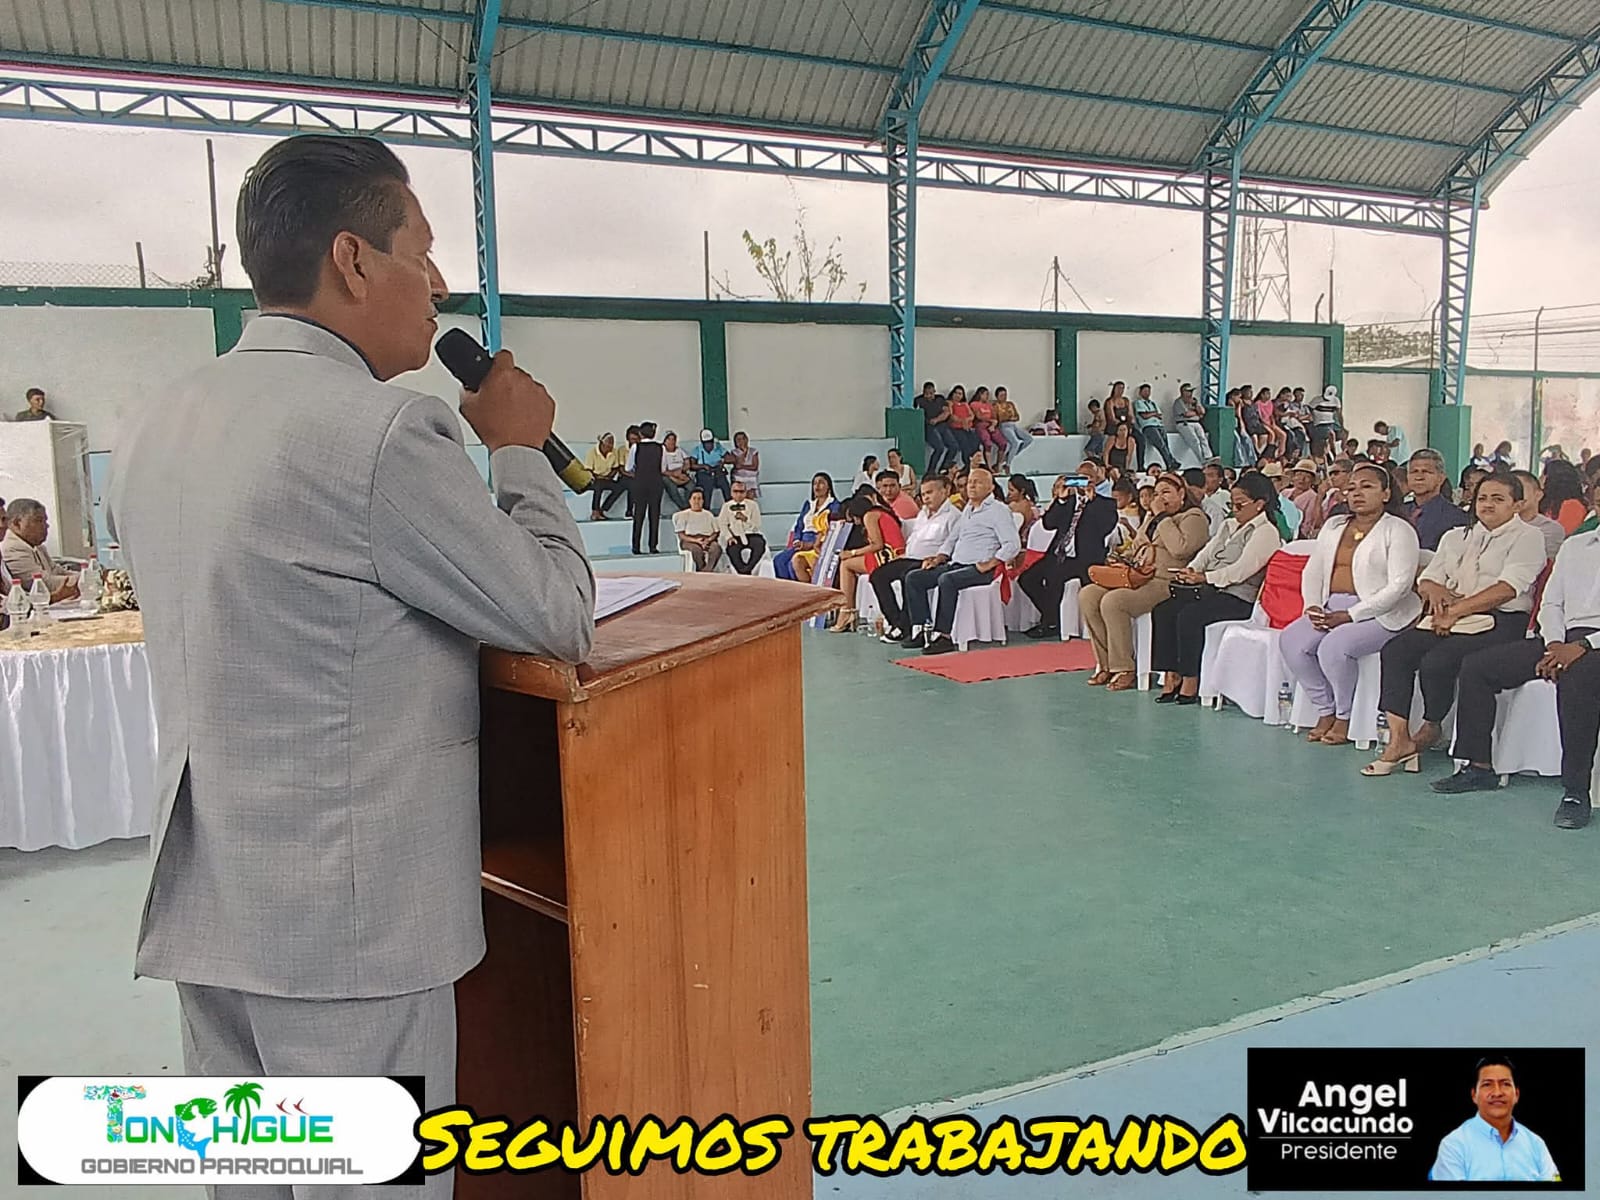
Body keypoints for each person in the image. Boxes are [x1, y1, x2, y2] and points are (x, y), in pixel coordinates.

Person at [103, 135, 594, 1170]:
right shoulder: (379, 433)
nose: (438, 285)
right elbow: (554, 612)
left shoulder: (161, 421)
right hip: (348, 933)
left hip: (217, 904)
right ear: (353, 260)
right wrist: (517, 451)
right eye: (422, 252)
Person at [1431, 473, 1600, 826]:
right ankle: (1479, 766)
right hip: (1560, 636)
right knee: (1479, 667)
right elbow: (1552, 602)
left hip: (1593, 643)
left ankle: (1575, 792)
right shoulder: (1577, 546)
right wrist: (1555, 643)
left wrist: (1583, 646)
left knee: (1579, 680)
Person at [1364, 474, 1545, 776]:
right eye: (1482, 498)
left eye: (1498, 499)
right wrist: (1435, 592)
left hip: (1500, 620)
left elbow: (1508, 588)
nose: (1488, 504)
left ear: (1517, 504)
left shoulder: (1528, 536)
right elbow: (1428, 578)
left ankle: (1431, 726)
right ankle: (1399, 739)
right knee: (1396, 651)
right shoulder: (1456, 536)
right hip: (1449, 615)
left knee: (1439, 660)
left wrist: (1456, 611)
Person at [1280, 464, 1421, 746]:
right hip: (1332, 606)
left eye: (1367, 487)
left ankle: (1344, 717)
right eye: (1352, 488)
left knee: (1334, 647)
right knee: (1291, 641)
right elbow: (1314, 569)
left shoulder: (1398, 529)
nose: (1357, 493)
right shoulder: (1334, 526)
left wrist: (1351, 615)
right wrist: (1313, 606)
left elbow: (1400, 586)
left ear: (1386, 494)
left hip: (1383, 613)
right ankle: (1326, 709)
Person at [1150, 472, 1284, 704]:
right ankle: (1172, 673)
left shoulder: (1266, 532)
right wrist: (1191, 570)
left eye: (1240, 505)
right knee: (1164, 610)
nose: (1235, 510)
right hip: (1210, 589)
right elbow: (1206, 554)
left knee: (1190, 616)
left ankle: (1191, 678)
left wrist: (1205, 577)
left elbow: (1241, 570)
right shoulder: (1228, 525)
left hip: (1238, 597)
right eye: (1232, 504)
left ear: (1259, 504)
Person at [1081, 472, 1210, 691]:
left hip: (1167, 581)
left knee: (1115, 601)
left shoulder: (1194, 517)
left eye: (1167, 492)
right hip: (1141, 574)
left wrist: (1162, 517)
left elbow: (1180, 549)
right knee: (1088, 595)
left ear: (1181, 493)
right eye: (1157, 494)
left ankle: (1124, 667)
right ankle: (1106, 663)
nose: (1160, 498)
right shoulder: (1152, 517)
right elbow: (1137, 546)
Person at [903, 467, 1020, 655]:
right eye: (970, 482)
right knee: (914, 578)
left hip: (981, 568)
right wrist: (939, 557)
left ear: (991, 487)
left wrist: (990, 563)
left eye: (978, 482)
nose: (971, 486)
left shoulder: (998, 510)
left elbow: (1012, 544)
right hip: (957, 565)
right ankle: (921, 629)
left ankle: (943, 636)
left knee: (947, 580)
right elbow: (952, 538)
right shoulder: (968, 509)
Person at [1019, 470, 1118, 638]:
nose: (1084, 482)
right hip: (1058, 554)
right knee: (1027, 579)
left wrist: (1092, 500)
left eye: (1088, 478)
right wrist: (1061, 500)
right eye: (1080, 478)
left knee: (1054, 578)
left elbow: (1105, 528)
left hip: (1084, 558)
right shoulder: (1068, 502)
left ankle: (1049, 623)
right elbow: (1048, 524)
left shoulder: (1105, 504)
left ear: (1096, 480)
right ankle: (1053, 615)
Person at [1429, 1056, 1559, 1182]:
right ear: (1474, 1095)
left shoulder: (1536, 1144)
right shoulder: (1453, 1145)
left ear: (1517, 1094)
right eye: (1487, 1084)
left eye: (1505, 1084)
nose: (1497, 1093)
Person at [871, 476, 960, 643]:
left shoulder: (953, 516)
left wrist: (937, 559)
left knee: (908, 576)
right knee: (878, 575)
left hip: (931, 561)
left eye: (930, 493)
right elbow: (914, 537)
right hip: (910, 557)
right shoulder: (923, 513)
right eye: (923, 494)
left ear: (945, 491)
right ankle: (896, 622)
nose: (926, 497)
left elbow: (951, 544)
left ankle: (907, 626)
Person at [828, 491, 907, 632]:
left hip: (888, 555)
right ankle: (847, 611)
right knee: (848, 562)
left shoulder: (869, 516)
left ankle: (846, 611)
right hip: (891, 552)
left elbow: (877, 544)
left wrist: (852, 553)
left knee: (846, 565)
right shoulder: (878, 513)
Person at [1, 498, 80, 603]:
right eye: (38, 520)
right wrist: (85, 579)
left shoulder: (37, 546)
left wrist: (87, 575)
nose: (46, 525)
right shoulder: (12, 548)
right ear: (16, 523)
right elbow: (43, 583)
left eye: (4, 519)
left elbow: (56, 571)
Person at [772, 473, 838, 581]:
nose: (817, 486)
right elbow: (799, 525)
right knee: (779, 560)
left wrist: (812, 544)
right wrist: (797, 540)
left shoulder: (834, 505)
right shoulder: (808, 504)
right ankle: (786, 589)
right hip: (802, 540)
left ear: (828, 487)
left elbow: (830, 529)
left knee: (792, 564)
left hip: (818, 541)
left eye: (821, 483)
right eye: (815, 483)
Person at [1404, 449, 1470, 551]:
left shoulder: (1457, 517)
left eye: (1426, 471)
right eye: (1414, 471)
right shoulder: (1398, 512)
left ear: (1441, 478)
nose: (1419, 477)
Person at [1513, 469, 1566, 562]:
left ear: (1538, 495)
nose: (1514, 496)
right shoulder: (1492, 525)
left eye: (1520, 490)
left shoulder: (1550, 528)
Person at [628, 420, 665, 554]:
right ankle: (653, 546)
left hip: (640, 483)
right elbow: (663, 467)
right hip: (656, 483)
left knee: (638, 514)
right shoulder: (660, 448)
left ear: (641, 434)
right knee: (654, 515)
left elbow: (629, 467)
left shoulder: (635, 447)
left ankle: (636, 546)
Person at [716, 480, 765, 574]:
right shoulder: (726, 506)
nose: (738, 494)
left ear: (745, 492)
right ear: (731, 493)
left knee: (759, 545)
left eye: (741, 491)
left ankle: (748, 569)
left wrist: (745, 519)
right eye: (735, 491)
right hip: (735, 535)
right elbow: (722, 524)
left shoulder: (753, 505)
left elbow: (757, 524)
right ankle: (743, 571)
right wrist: (729, 537)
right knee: (732, 550)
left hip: (751, 534)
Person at [672, 488, 721, 572]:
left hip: (707, 539)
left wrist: (708, 540)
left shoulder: (708, 514)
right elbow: (681, 535)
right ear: (690, 501)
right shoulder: (683, 515)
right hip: (690, 540)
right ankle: (702, 569)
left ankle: (706, 570)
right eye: (694, 498)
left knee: (716, 548)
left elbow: (716, 532)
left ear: (703, 501)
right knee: (696, 550)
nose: (696, 501)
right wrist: (696, 541)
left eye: (699, 499)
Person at [582, 431, 627, 520]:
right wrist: (599, 477)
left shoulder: (614, 452)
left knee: (619, 487)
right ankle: (595, 512)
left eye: (612, 443)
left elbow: (615, 468)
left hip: (607, 478)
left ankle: (603, 509)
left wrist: (609, 476)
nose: (611, 446)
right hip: (594, 479)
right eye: (609, 443)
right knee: (598, 486)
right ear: (602, 443)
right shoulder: (592, 452)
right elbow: (588, 470)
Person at [1133, 383, 1178, 470]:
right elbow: (1144, 416)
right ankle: (1170, 463)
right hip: (1148, 426)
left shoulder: (1153, 403)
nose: (1147, 393)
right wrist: (1154, 414)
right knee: (1160, 444)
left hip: (1159, 425)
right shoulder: (1139, 403)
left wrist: (1151, 414)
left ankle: (1171, 462)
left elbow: (1160, 415)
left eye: (1148, 391)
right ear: (1140, 392)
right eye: (1145, 391)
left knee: (1166, 446)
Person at [918, 381, 959, 474]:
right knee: (939, 448)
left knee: (954, 446)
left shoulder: (940, 399)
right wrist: (931, 421)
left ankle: (944, 468)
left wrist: (937, 419)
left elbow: (947, 412)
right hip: (929, 427)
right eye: (926, 393)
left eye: (931, 393)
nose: (929, 396)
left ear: (934, 391)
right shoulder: (919, 401)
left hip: (941, 424)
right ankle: (931, 471)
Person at [1540, 459, 1589, 533]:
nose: (1540, 478)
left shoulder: (1572, 505)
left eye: (1543, 475)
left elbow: (1564, 533)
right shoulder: (1547, 502)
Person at [690, 428, 732, 509]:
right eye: (706, 443)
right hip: (704, 473)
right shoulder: (697, 450)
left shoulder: (718, 447)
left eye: (710, 442)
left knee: (726, 488)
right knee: (706, 489)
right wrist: (703, 466)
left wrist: (723, 461)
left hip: (718, 472)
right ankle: (706, 510)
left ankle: (731, 508)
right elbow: (692, 465)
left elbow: (731, 458)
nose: (709, 445)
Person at [993, 386, 1032, 469]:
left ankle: (1010, 455)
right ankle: (1008, 464)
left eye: (1005, 395)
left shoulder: (1010, 404)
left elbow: (1017, 417)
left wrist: (1009, 418)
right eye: (1001, 395)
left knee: (1028, 439)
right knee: (1015, 442)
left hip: (1013, 425)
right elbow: (999, 418)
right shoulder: (995, 406)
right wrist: (1009, 417)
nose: (1004, 397)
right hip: (1004, 426)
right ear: (997, 396)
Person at [1172, 383, 1212, 464]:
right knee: (1195, 440)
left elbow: (1203, 412)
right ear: (1183, 392)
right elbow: (1187, 414)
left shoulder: (1194, 400)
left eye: (1191, 391)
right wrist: (1197, 413)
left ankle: (1208, 457)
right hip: (1184, 423)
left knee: (1203, 438)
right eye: (1188, 391)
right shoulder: (1179, 402)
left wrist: (1196, 405)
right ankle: (1202, 460)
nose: (1190, 393)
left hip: (1196, 422)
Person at [1285, 458, 1324, 538]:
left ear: (1312, 480)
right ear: (1293, 477)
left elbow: (1308, 523)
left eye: (1307, 476)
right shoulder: (1284, 493)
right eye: (1299, 474)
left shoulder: (1313, 497)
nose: (1302, 479)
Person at [945, 385, 980, 466]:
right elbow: (952, 416)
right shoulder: (950, 403)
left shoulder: (965, 404)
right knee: (965, 444)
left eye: (960, 394)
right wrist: (963, 422)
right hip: (956, 428)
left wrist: (966, 421)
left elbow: (972, 415)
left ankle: (975, 464)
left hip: (967, 428)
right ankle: (967, 465)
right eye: (956, 393)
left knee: (975, 442)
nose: (957, 395)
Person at [969, 386, 1002, 470]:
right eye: (986, 394)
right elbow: (979, 416)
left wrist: (993, 424)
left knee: (1003, 443)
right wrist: (991, 421)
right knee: (988, 443)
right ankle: (989, 466)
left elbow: (994, 417)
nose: (987, 396)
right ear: (980, 394)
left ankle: (999, 465)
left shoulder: (989, 405)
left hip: (991, 425)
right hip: (980, 425)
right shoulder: (974, 404)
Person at [659, 430, 693, 510]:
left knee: (691, 487)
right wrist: (674, 474)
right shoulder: (661, 451)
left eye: (673, 439)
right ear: (664, 441)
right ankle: (683, 508)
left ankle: (688, 506)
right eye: (669, 439)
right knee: (672, 489)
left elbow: (687, 462)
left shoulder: (679, 450)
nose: (672, 442)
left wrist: (681, 471)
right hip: (668, 475)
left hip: (681, 473)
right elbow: (662, 470)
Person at [1309, 385, 1343, 458]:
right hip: (1319, 424)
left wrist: (1342, 426)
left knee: (1340, 435)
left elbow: (1339, 414)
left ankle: (1336, 453)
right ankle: (1332, 454)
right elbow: (1309, 411)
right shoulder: (1316, 400)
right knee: (1330, 435)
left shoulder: (1336, 400)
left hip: (1330, 423)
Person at [1200, 461, 1232, 535]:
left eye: (1210, 475)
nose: (1206, 478)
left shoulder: (1225, 495)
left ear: (1220, 479)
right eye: (1204, 475)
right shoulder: (1198, 496)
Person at [729, 430, 760, 497]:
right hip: (739, 477)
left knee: (750, 495)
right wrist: (743, 452)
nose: (740, 441)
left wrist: (742, 467)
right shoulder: (734, 452)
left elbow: (755, 467)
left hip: (751, 477)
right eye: (738, 440)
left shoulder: (753, 451)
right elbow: (738, 464)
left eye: (742, 439)